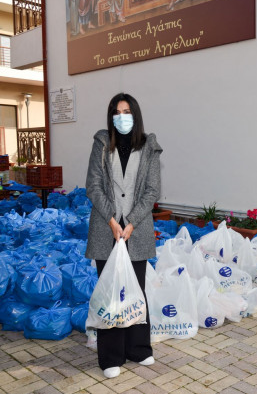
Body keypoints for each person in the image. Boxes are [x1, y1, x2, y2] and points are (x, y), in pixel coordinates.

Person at [86, 93, 163, 378]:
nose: (122, 116)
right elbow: (93, 185)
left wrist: (130, 222)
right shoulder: (102, 144)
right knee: (111, 292)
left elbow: (152, 190)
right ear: (111, 116)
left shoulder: (149, 147)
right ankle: (111, 357)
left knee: (136, 290)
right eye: (116, 112)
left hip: (137, 228)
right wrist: (111, 220)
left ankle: (139, 349)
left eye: (127, 110)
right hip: (106, 228)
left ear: (136, 114)